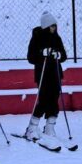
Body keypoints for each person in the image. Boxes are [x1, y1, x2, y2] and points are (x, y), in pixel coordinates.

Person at [24, 12, 67, 142]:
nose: (54, 28)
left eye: (55, 26)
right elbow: (31, 57)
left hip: (55, 73)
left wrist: (58, 55)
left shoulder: (56, 38)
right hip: (43, 74)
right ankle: (32, 128)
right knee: (43, 100)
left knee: (54, 100)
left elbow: (64, 55)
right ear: (46, 26)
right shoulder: (37, 37)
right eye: (52, 26)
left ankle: (49, 127)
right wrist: (42, 53)